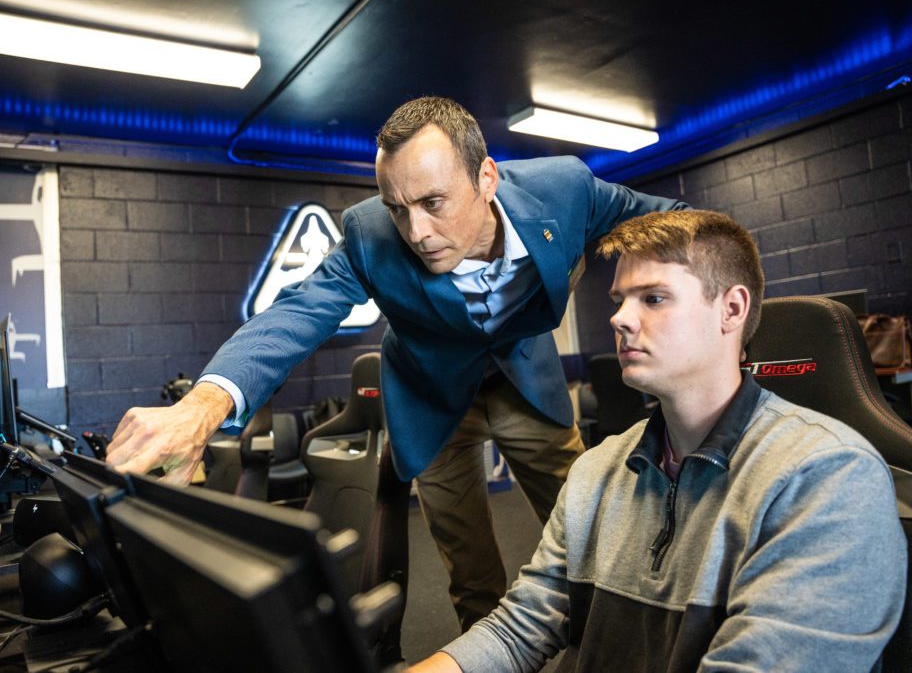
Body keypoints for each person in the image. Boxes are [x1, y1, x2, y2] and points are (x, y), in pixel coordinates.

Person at [105, 96, 687, 629]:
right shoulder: (369, 233)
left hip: (525, 381)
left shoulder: (563, 189)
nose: (416, 231)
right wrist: (203, 407)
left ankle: (613, 641)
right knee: (471, 574)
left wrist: (705, 301)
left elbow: (672, 220)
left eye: (433, 203)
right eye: (398, 208)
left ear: (486, 178)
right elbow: (297, 314)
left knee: (591, 534)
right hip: (432, 400)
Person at [410, 209, 907, 672]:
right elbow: (518, 630)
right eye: (620, 300)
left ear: (731, 310)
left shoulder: (829, 477)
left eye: (653, 298)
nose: (620, 318)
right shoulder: (596, 470)